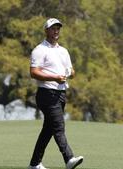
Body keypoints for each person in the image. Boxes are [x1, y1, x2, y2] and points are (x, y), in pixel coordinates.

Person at [28, 18, 83, 169]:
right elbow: (34, 72)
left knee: (48, 130)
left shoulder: (63, 51)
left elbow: (71, 71)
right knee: (58, 126)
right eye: (53, 28)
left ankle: (34, 164)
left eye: (58, 28)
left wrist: (69, 73)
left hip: (60, 94)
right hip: (46, 94)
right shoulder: (39, 50)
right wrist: (54, 77)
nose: (56, 31)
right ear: (46, 31)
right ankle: (69, 159)